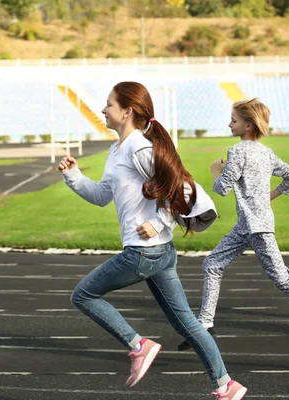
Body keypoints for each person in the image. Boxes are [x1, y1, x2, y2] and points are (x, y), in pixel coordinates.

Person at [58, 81, 247, 399]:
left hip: (144, 252)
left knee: (84, 296)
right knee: (187, 323)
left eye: (109, 104)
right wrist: (74, 176)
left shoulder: (140, 148)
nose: (103, 109)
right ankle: (226, 385)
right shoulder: (118, 149)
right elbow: (103, 195)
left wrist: (160, 221)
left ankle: (138, 345)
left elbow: (184, 189)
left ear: (127, 111)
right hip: (158, 254)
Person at [176, 98, 289, 361]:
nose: (229, 124)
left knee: (282, 279)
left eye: (233, 120)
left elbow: (222, 188)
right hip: (247, 226)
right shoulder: (266, 153)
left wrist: (215, 171)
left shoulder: (238, 151)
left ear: (248, 125)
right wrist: (267, 198)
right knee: (212, 264)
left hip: (257, 228)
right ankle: (205, 325)